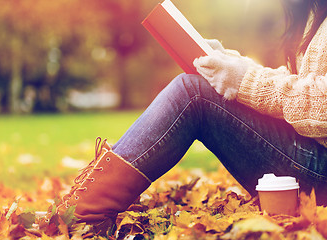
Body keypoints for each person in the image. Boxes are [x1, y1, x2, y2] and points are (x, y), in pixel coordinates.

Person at [48, 0, 327, 235]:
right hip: (312, 156)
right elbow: (302, 83)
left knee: (192, 93)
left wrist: (244, 79)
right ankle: (83, 207)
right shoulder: (314, 14)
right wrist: (234, 65)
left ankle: (80, 216)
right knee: (195, 86)